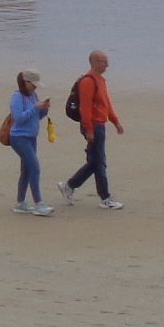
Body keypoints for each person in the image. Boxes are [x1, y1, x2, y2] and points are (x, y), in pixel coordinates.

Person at [60, 49, 126, 210]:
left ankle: (69, 186)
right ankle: (105, 197)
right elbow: (85, 108)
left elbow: (106, 104)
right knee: (99, 162)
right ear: (95, 62)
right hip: (93, 126)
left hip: (100, 125)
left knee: (95, 162)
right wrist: (88, 129)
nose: (107, 65)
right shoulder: (88, 82)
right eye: (104, 61)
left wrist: (115, 122)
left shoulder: (101, 81)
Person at [6, 70, 52, 215]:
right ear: (25, 83)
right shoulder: (17, 97)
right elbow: (19, 118)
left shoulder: (33, 96)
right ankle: (39, 203)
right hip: (19, 138)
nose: (35, 88)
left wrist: (44, 110)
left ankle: (20, 203)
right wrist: (35, 108)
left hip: (31, 138)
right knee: (35, 168)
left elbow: (35, 117)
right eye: (33, 85)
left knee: (26, 170)